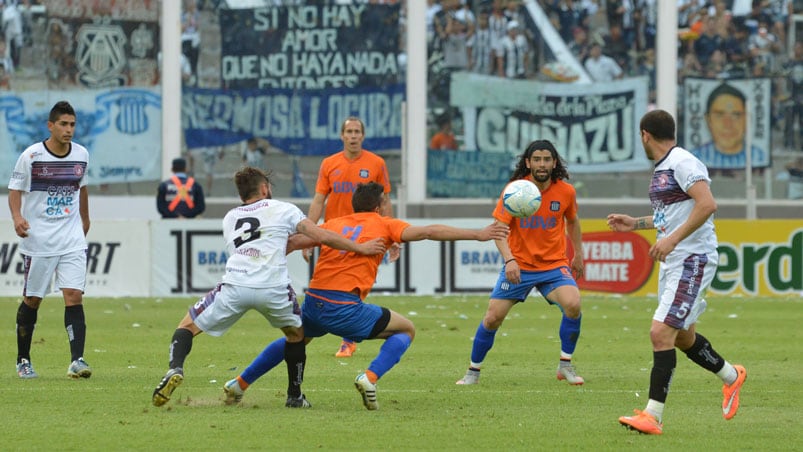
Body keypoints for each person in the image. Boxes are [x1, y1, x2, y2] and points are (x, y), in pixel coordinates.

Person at [222, 182, 509, 410]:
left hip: (314, 302)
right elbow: (430, 231)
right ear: (381, 204)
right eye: (386, 201)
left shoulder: (334, 223)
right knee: (406, 329)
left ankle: (240, 384)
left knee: (296, 339)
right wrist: (478, 234)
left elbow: (293, 242)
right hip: (344, 307)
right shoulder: (385, 224)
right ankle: (369, 378)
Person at [151, 167, 386, 408]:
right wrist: (361, 248)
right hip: (273, 287)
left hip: (236, 284)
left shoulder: (230, 217)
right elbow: (321, 235)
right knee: (297, 336)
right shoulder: (284, 209)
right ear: (264, 189)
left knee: (187, 326)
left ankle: (175, 368)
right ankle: (295, 396)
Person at [607, 109, 747, 436]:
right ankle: (731, 376)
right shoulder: (664, 167)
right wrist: (636, 223)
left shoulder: (683, 162)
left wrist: (670, 240)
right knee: (683, 336)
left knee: (661, 333)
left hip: (692, 259)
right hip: (675, 261)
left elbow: (706, 204)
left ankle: (652, 415)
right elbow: (670, 214)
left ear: (645, 135)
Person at [456, 139, 586, 387]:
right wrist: (510, 260)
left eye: (547, 159)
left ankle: (565, 365)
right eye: (536, 159)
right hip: (519, 266)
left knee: (573, 303)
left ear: (554, 162)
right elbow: (499, 229)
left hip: (553, 265)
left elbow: (573, 221)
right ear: (528, 162)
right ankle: (472, 371)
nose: (541, 164)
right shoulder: (515, 190)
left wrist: (578, 253)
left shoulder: (566, 192)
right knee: (493, 317)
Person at [7, 100, 92, 379]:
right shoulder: (31, 156)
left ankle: (77, 360)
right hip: (40, 241)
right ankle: (23, 359)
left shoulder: (81, 154)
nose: (69, 130)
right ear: (51, 126)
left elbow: (82, 188)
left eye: (72, 124)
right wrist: (17, 218)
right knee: (32, 299)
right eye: (64, 124)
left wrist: (85, 219)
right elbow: (15, 189)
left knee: (74, 295)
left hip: (71, 238)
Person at [304, 116, 395, 359]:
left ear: (363, 136)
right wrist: (310, 232)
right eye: (349, 132)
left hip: (366, 235)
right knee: (327, 284)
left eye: (357, 132)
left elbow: (384, 200)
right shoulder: (329, 164)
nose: (353, 136)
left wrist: (392, 237)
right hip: (334, 235)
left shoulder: (376, 163)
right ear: (342, 136)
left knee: (356, 285)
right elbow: (318, 200)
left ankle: (348, 339)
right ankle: (305, 334)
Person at [690, 83, 768, 170]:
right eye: (719, 115)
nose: (728, 124)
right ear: (708, 119)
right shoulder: (694, 159)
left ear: (747, 119)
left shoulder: (759, 157)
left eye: (736, 115)